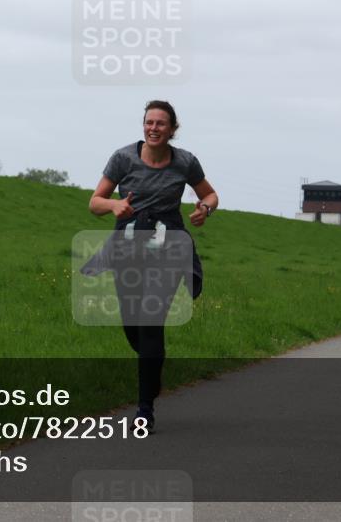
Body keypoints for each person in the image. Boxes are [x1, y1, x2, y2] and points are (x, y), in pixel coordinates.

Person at [85, 100, 218, 432]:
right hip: (129, 246)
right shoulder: (123, 158)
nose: (154, 128)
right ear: (143, 125)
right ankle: (152, 364)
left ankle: (144, 409)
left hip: (168, 245)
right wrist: (115, 204)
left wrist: (204, 208)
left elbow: (211, 194)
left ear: (173, 129)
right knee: (134, 325)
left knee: (150, 319)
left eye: (161, 123)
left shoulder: (185, 161)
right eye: (149, 122)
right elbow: (94, 203)